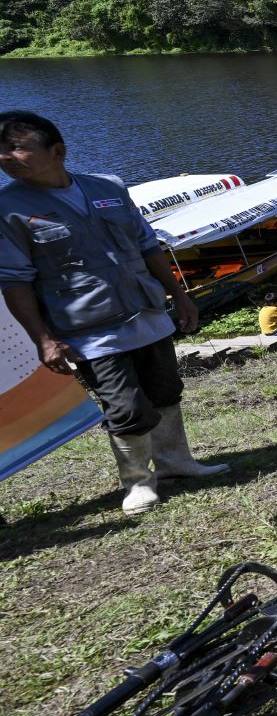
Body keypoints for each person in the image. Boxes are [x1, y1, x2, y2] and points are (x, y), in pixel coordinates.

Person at [0, 110, 227, 514]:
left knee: (164, 392)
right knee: (125, 406)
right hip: (87, 328)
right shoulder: (9, 210)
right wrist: (44, 340)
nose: (5, 157)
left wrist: (180, 295)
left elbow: (147, 246)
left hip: (146, 313)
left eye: (16, 147)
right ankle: (138, 482)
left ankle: (177, 463)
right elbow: (15, 280)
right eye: (0, 150)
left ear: (57, 151)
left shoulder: (109, 186)